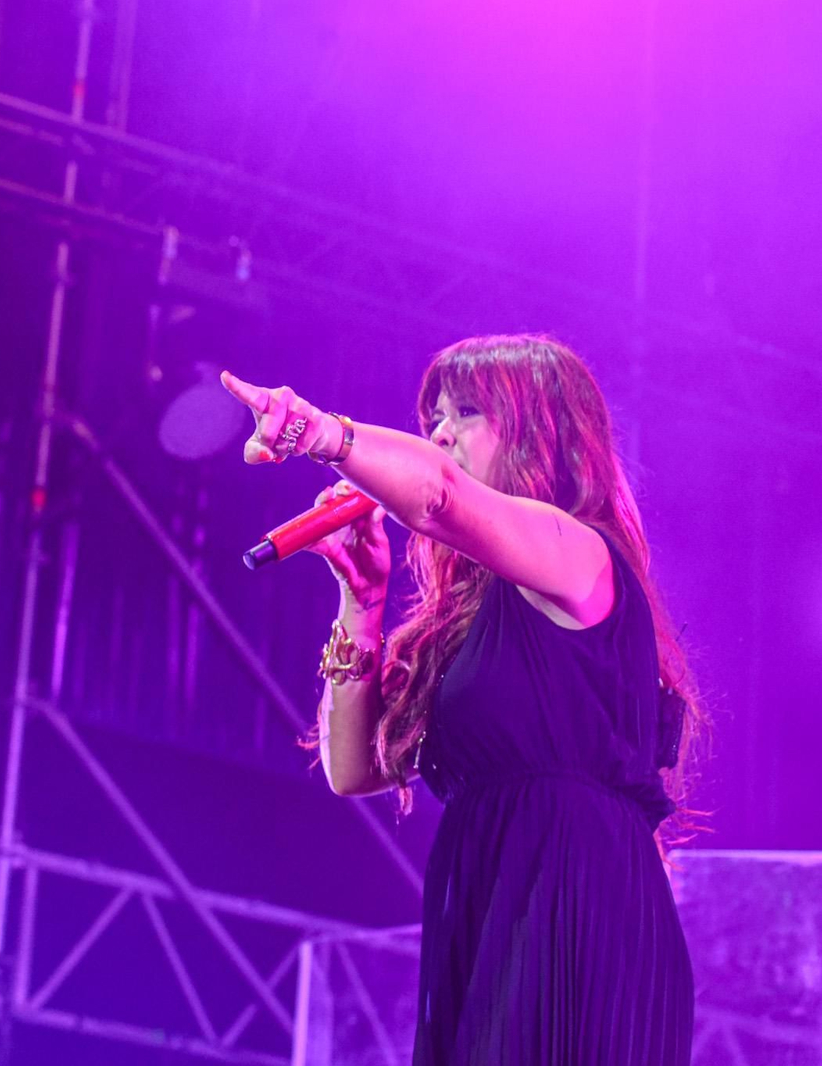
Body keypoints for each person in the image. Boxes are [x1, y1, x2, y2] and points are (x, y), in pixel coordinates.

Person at [221, 334, 703, 1065]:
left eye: (467, 413)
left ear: (541, 433)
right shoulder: (473, 620)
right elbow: (353, 770)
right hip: (489, 898)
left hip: (576, 893)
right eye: (434, 419)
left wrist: (321, 433)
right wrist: (362, 600)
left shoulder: (579, 553)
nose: (441, 434)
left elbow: (439, 494)